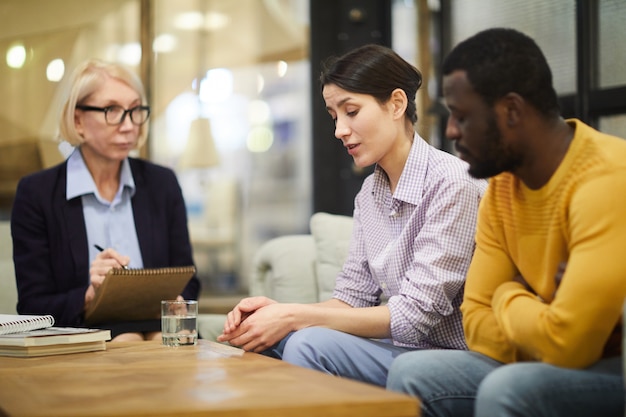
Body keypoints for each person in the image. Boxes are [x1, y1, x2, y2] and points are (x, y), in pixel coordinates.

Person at [386, 28, 626, 417]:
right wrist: (544, 313)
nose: (449, 132)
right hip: (561, 350)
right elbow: (476, 325)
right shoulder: (500, 188)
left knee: (511, 388)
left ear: (511, 111)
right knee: (413, 372)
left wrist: (508, 296)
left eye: (462, 117)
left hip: (617, 365)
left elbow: (569, 344)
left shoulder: (606, 179)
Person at [217, 44, 487, 387]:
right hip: (398, 351)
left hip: (452, 358)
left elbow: (415, 317)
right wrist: (278, 314)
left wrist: (294, 316)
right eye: (334, 116)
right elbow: (352, 298)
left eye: (352, 111)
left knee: (307, 342)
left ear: (397, 104)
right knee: (274, 341)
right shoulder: (369, 197)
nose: (339, 130)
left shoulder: (452, 182)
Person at [11, 59, 200, 342]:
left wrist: (173, 299)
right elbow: (32, 306)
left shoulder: (162, 184)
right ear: (78, 121)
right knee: (129, 340)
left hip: (159, 330)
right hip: (84, 333)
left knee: (158, 339)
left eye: (135, 110)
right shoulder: (37, 193)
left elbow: (189, 281)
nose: (128, 126)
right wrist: (90, 295)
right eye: (112, 110)